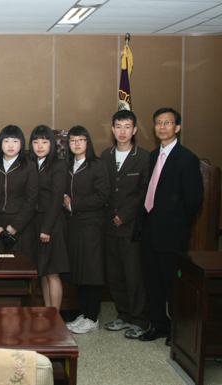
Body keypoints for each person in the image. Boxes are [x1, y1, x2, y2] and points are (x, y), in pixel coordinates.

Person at [133, 107, 204, 346]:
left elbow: (194, 199)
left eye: (168, 123)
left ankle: (176, 329)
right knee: (152, 282)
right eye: (158, 123)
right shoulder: (152, 156)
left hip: (172, 234)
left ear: (178, 127)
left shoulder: (187, 159)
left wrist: (178, 225)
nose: (162, 127)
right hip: (149, 231)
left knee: (172, 284)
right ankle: (158, 325)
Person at [100, 110, 150, 339]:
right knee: (115, 274)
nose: (122, 131)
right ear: (112, 129)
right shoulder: (105, 155)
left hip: (131, 227)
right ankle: (124, 314)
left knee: (134, 275)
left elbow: (145, 191)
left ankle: (140, 319)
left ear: (135, 130)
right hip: (109, 226)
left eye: (127, 127)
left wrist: (127, 214)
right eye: (118, 127)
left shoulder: (144, 157)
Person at [63, 125, 110, 334]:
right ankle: (84, 314)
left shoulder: (97, 165)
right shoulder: (67, 165)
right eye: (73, 140)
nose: (77, 144)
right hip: (72, 226)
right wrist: (63, 197)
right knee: (79, 272)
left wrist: (74, 204)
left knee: (92, 272)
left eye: (81, 140)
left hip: (91, 224)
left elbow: (102, 196)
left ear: (87, 142)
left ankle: (93, 317)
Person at [29, 125, 70, 312]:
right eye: (36, 142)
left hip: (52, 223)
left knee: (53, 272)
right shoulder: (32, 164)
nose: (39, 146)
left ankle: (56, 318)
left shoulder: (58, 165)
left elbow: (56, 199)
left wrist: (46, 229)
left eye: (44, 142)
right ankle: (47, 313)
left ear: (51, 144)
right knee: (43, 272)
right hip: (37, 222)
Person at [0, 125, 38, 254]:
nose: (10, 145)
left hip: (21, 224)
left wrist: (15, 227)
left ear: (21, 144)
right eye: (6, 141)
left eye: (15, 141)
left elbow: (31, 200)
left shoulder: (29, 167)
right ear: (0, 144)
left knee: (20, 268)